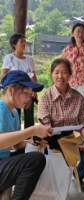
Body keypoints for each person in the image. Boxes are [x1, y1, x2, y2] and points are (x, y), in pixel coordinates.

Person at [37, 58, 84, 192]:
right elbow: (46, 130)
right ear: (51, 74)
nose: (60, 76)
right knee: (58, 164)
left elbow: (83, 123)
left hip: (74, 140)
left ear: (70, 74)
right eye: (56, 72)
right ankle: (61, 182)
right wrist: (71, 145)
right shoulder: (45, 98)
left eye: (64, 72)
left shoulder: (78, 98)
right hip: (53, 142)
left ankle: (77, 177)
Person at [0, 70, 52, 200]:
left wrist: (32, 141)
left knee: (32, 155)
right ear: (11, 91)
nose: (29, 98)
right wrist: (32, 130)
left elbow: (16, 146)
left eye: (31, 94)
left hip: (3, 163)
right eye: (26, 93)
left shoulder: (15, 113)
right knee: (35, 160)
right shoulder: (0, 109)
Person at [1, 33, 38, 129]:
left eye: (25, 41)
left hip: (28, 89)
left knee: (29, 113)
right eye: (21, 41)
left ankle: (30, 136)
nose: (24, 43)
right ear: (14, 44)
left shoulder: (30, 59)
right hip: (16, 89)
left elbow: (33, 75)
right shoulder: (10, 58)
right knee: (15, 112)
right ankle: (16, 134)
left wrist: (34, 91)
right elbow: (3, 75)